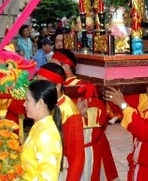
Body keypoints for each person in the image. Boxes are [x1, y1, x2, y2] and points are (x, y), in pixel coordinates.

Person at [49, 49, 119, 181]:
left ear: (66, 67)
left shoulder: (84, 88)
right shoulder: (54, 87)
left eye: (54, 65)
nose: (50, 69)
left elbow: (100, 116)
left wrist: (85, 114)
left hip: (83, 150)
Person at [35, 63, 85, 180]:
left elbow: (77, 156)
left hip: (60, 171)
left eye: (43, 83)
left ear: (57, 86)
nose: (38, 88)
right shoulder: (45, 103)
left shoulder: (69, 111)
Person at [22, 79, 63, 180]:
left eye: (27, 100)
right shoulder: (38, 126)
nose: (24, 104)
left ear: (40, 103)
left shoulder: (47, 136)